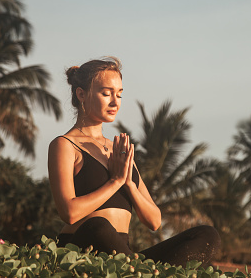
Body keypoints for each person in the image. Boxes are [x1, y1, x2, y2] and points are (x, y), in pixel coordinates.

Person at [48, 56, 220, 267]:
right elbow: (70, 213)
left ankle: (139, 270)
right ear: (81, 94)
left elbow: (154, 221)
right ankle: (140, 270)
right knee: (98, 226)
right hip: (84, 246)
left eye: (119, 95)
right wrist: (115, 182)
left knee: (207, 234)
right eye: (106, 93)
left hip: (122, 254)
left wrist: (128, 183)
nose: (115, 102)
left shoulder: (118, 149)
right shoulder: (64, 145)